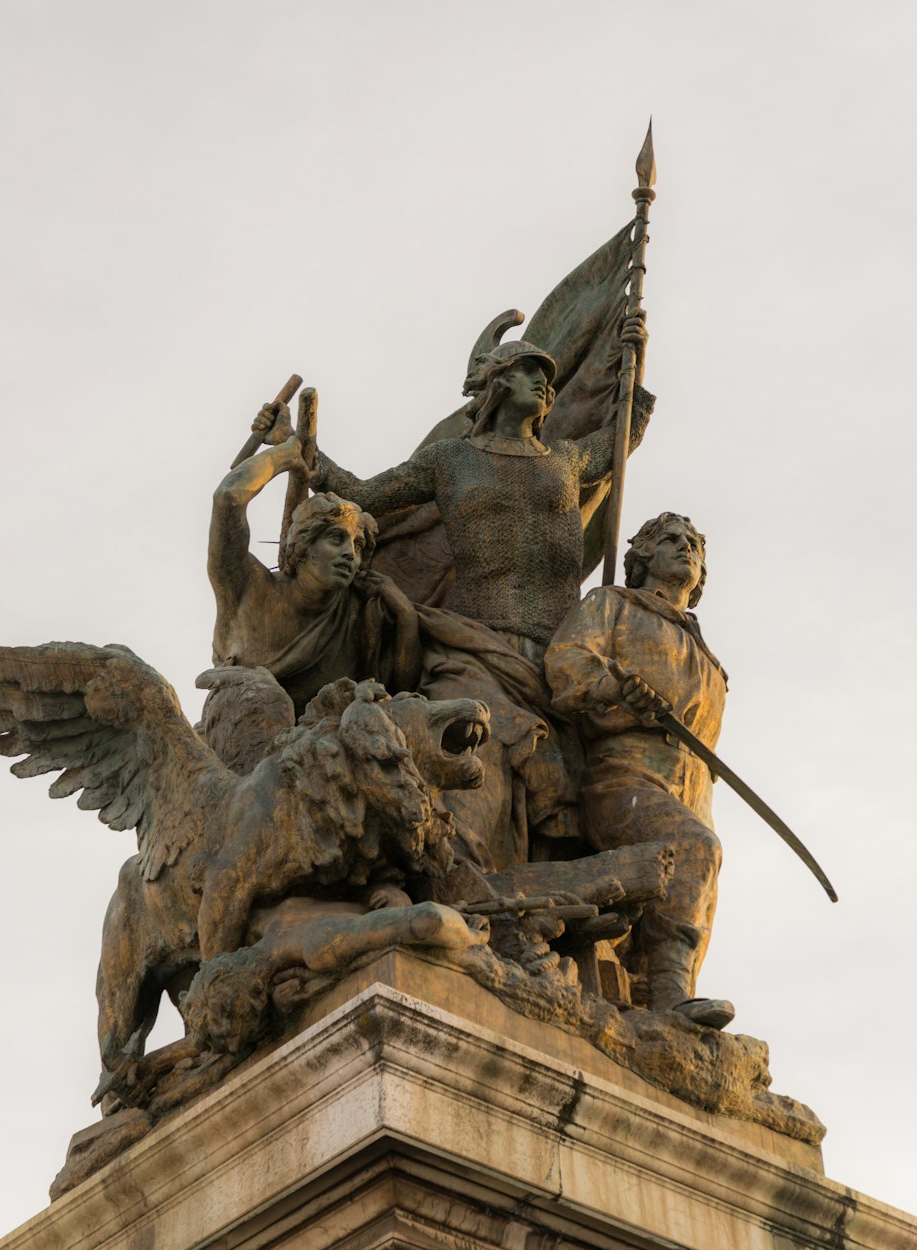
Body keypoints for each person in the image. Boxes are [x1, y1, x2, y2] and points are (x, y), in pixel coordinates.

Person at [253, 330, 650, 869]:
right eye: (531, 371)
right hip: (475, 649)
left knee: (566, 810)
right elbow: (365, 495)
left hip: (558, 664)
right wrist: (295, 445)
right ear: (499, 379)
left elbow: (620, 437)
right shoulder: (450, 461)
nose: (545, 384)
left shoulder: (568, 458)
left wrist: (634, 361)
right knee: (473, 789)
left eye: (549, 378)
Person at [545, 512, 734, 1028]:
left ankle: (668, 1001)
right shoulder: (611, 606)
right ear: (642, 555)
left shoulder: (712, 663)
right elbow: (566, 666)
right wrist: (614, 686)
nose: (685, 549)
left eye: (694, 544)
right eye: (670, 540)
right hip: (623, 774)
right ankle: (670, 997)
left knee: (698, 879)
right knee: (695, 849)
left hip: (692, 787)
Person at [207, 435, 420, 722]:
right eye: (337, 539)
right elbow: (228, 497)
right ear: (303, 546)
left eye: (357, 546)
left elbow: (401, 690)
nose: (349, 554)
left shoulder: (358, 613)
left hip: (321, 753)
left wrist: (405, 613)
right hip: (238, 738)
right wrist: (286, 454)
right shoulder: (246, 588)